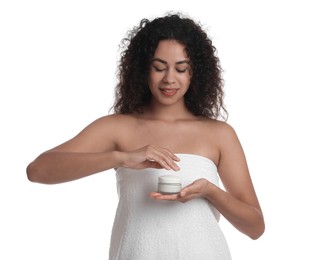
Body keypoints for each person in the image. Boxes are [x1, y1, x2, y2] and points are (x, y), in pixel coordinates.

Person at [27, 13, 265, 260]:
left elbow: (255, 227)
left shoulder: (219, 135)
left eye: (181, 69)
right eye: (159, 67)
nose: (169, 79)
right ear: (143, 69)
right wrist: (122, 158)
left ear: (196, 73)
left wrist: (210, 192)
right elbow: (38, 170)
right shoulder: (118, 128)